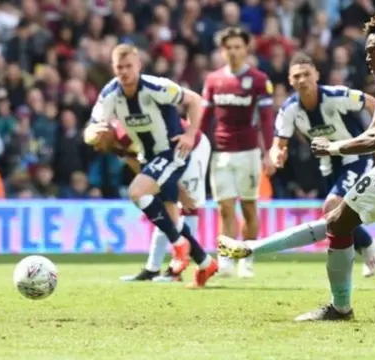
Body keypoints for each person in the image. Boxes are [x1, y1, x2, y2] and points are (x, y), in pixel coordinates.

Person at [219, 14, 375, 321]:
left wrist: (332, 146)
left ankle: (340, 305)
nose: (368, 58)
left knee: (336, 217)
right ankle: (253, 249)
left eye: (372, 51)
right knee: (337, 220)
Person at [221, 52, 375, 290]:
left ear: (317, 75)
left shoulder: (336, 95)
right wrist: (276, 156)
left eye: (307, 74)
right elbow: (278, 144)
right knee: (339, 216)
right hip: (327, 164)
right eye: (297, 76)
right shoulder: (289, 109)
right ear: (290, 81)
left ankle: (369, 248)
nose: (303, 79)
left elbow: (372, 102)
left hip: (354, 157)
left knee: (332, 206)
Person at [84, 44, 218, 288]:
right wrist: (93, 133)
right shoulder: (111, 100)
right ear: (113, 69)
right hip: (155, 158)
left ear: (138, 66)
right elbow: (92, 132)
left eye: (128, 66)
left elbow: (195, 100)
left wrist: (189, 133)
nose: (124, 72)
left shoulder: (155, 86)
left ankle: (178, 250)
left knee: (140, 193)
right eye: (119, 68)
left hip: (181, 148)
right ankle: (205, 261)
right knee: (168, 212)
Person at [94, 119, 211, 282]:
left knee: (188, 206)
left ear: (105, 133)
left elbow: (157, 162)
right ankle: (152, 269)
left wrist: (177, 188)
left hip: (191, 147)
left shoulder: (126, 135)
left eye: (95, 141)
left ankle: (176, 271)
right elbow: (138, 167)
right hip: (167, 155)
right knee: (162, 208)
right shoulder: (115, 141)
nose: (95, 147)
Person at [200, 27, 275, 278]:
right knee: (225, 208)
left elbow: (266, 119)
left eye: (237, 47)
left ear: (246, 49)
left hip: (249, 152)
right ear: (222, 51)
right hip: (220, 153)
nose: (233, 52)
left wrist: (269, 152)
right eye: (228, 47)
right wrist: (197, 146)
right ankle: (227, 259)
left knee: (249, 208)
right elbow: (204, 118)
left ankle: (247, 257)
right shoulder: (213, 80)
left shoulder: (258, 80)